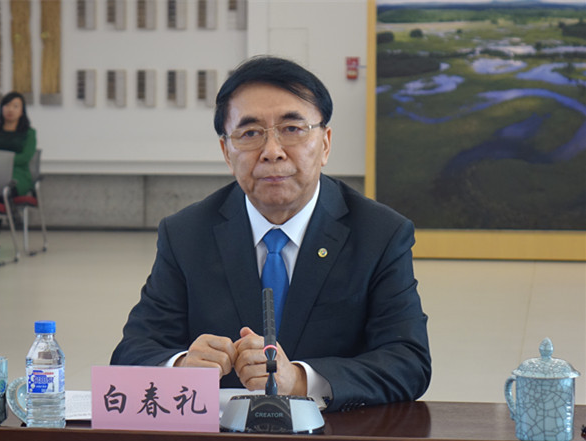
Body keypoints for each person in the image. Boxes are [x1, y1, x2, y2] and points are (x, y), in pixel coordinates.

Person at [111, 56, 431, 412]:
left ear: (325, 144)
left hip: (334, 430)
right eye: (250, 134)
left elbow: (409, 362)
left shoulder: (379, 233)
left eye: (292, 129)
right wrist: (182, 366)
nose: (272, 152)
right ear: (226, 152)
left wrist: (301, 380)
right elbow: (131, 354)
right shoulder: (186, 234)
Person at [0, 91, 36, 253]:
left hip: (18, 175)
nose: (10, 109)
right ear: (1, 109)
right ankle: (10, 211)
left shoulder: (29, 133)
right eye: (7, 105)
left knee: (0, 190)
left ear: (22, 111)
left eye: (15, 106)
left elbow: (25, 157)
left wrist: (0, 160)